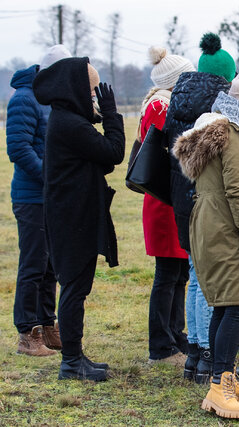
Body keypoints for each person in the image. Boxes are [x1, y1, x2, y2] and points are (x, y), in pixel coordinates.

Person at [172, 69, 239, 420]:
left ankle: (223, 378)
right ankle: (219, 387)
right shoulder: (231, 135)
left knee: (227, 305)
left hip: (212, 224)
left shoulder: (218, 130)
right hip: (228, 228)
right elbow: (238, 190)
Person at [33, 57, 125, 381]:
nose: (94, 98)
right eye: (91, 92)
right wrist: (111, 114)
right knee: (73, 289)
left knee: (77, 288)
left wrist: (100, 115)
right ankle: (71, 363)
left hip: (73, 216)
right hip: (72, 219)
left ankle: (75, 356)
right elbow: (114, 152)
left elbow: (102, 157)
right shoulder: (70, 124)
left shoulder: (67, 119)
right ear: (74, 89)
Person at [163, 33, 235, 384]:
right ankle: (209, 354)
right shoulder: (218, 109)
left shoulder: (177, 100)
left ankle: (194, 352)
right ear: (226, 76)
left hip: (180, 199)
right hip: (206, 202)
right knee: (211, 279)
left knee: (195, 275)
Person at [6, 44, 70, 357]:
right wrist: (49, 176)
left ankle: (47, 325)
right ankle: (26, 333)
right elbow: (17, 149)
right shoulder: (24, 99)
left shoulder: (48, 99)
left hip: (50, 196)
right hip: (32, 197)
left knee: (49, 266)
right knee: (32, 265)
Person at [141, 47, 195, 366]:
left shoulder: (166, 103)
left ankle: (176, 334)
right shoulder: (161, 106)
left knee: (179, 274)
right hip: (164, 204)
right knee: (167, 274)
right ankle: (160, 344)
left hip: (171, 200)